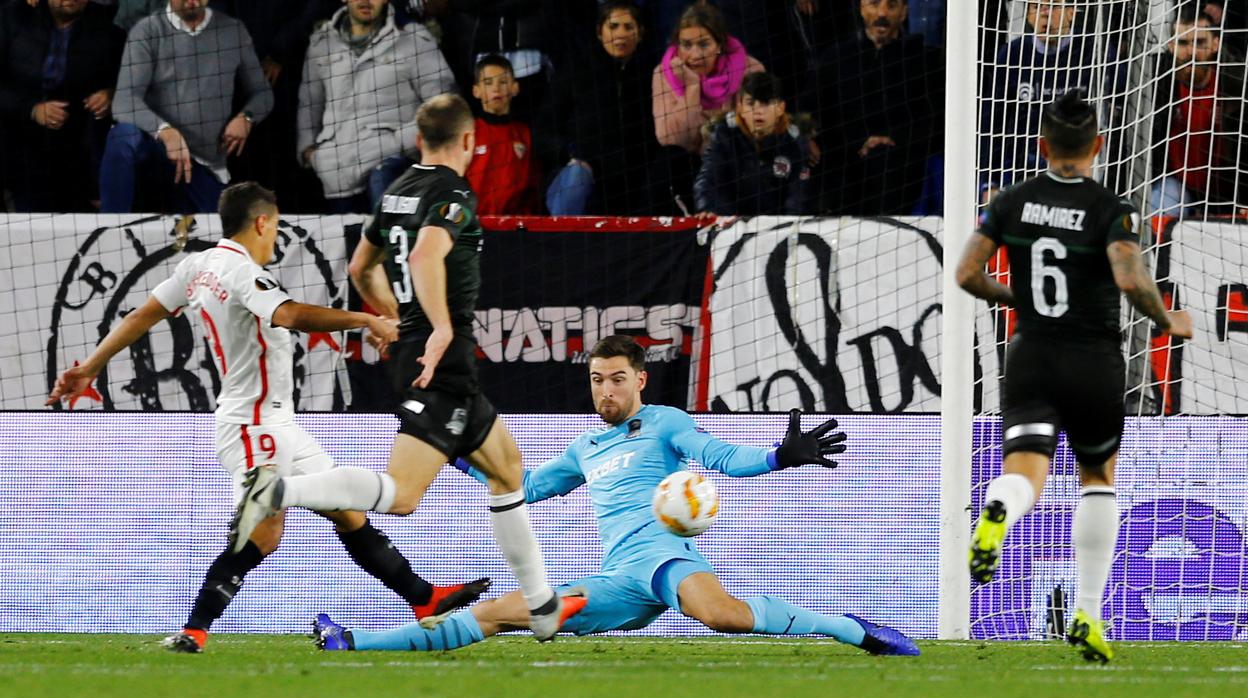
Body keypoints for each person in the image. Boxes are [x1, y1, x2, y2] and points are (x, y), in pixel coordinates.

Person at [46, 182, 489, 653]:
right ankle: (193, 630)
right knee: (266, 529)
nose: (275, 235)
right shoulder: (241, 273)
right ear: (261, 222)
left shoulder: (198, 266)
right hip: (252, 424)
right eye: (274, 225)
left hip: (278, 424)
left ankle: (423, 599)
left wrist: (92, 365)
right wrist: (367, 320)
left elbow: (142, 315)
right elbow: (292, 314)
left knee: (347, 510)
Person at [309, 335, 919, 655]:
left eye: (618, 379)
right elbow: (524, 487)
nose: (606, 390)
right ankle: (352, 642)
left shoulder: (666, 422)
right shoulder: (585, 447)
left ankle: (850, 628)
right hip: (619, 579)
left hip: (667, 558)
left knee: (724, 616)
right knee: (501, 614)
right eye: (598, 380)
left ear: (640, 380)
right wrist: (460, 452)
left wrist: (780, 457)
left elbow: (721, 459)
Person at [230, 94, 582, 642]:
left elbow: (359, 267)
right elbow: (424, 255)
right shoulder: (454, 192)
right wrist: (437, 326)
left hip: (418, 352)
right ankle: (279, 492)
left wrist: (399, 318)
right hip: (441, 357)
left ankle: (541, 608)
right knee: (402, 495)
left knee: (507, 468)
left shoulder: (397, 189)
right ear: (469, 141)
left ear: (420, 140)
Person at [955, 92, 1194, 663]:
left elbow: (966, 272)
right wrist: (1166, 318)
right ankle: (1087, 612)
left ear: (1042, 145)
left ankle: (999, 515)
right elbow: (1131, 279)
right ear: (1099, 146)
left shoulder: (1011, 201)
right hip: (1092, 361)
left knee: (1024, 473)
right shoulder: (1110, 208)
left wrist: (1020, 298)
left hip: (1032, 354)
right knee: (1097, 478)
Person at [101, 0, 273, 213]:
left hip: (205, 165)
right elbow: (124, 103)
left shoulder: (233, 30)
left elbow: (262, 93)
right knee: (122, 136)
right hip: (157, 154)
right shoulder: (146, 31)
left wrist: (247, 117)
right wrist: (165, 131)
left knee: (211, 237)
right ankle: (110, 227)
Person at [297, 0, 455, 213]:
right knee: (346, 245)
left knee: (387, 240)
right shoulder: (321, 44)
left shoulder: (414, 40)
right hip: (337, 175)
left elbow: (442, 105)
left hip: (393, 169)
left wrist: (397, 142)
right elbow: (309, 103)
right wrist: (311, 152)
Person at [979, 0, 1125, 201]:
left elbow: (1121, 106)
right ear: (1028, 15)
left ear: (1072, 12)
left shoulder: (1096, 51)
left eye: (1054, 5)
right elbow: (991, 123)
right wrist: (989, 182)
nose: (1044, 14)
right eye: (1036, 7)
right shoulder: (1011, 56)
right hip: (1023, 173)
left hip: (1083, 172)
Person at [808, 0, 942, 215]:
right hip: (844, 159)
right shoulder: (836, 57)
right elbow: (816, 110)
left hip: (903, 161)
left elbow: (932, 118)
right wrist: (859, 140)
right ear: (861, 9)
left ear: (904, 12)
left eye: (892, 5)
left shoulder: (924, 59)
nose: (882, 13)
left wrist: (893, 138)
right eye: (874, 4)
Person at [0, 0, 124, 212]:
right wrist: (32, 109)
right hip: (16, 135)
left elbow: (125, 81)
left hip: (76, 143)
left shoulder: (107, 32)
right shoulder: (13, 19)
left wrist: (111, 94)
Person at [541, 0, 659, 216]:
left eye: (628, 27)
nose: (620, 34)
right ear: (599, 32)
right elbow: (544, 129)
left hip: (632, 183)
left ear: (640, 33)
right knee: (577, 175)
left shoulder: (652, 75)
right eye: (613, 26)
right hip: (582, 176)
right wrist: (569, 155)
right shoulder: (576, 71)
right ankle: (560, 243)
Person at [651, 4, 762, 213]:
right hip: (688, 165)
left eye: (704, 44)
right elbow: (670, 139)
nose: (695, 54)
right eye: (686, 45)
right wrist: (692, 89)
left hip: (735, 164)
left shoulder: (750, 69)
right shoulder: (664, 74)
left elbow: (758, 129)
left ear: (719, 45)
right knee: (667, 161)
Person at [1149, 6, 1248, 219]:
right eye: (1183, 43)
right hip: (1177, 184)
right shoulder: (1155, 85)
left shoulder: (1237, 84)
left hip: (1228, 187)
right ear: (1171, 45)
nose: (1191, 52)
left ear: (1216, 44)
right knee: (1161, 208)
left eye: (1199, 42)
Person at [695, 71, 810, 216]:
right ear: (740, 107)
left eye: (766, 103)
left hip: (775, 227)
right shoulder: (724, 135)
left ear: (781, 108)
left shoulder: (794, 142)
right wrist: (710, 209)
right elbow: (709, 179)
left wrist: (786, 226)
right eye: (751, 104)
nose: (758, 111)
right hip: (730, 224)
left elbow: (798, 195)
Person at [464, 54, 539, 215]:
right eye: (488, 82)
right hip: (477, 225)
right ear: (476, 91)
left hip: (516, 227)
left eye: (503, 82)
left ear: (515, 88)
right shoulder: (467, 133)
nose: (496, 88)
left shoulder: (524, 134)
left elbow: (532, 186)